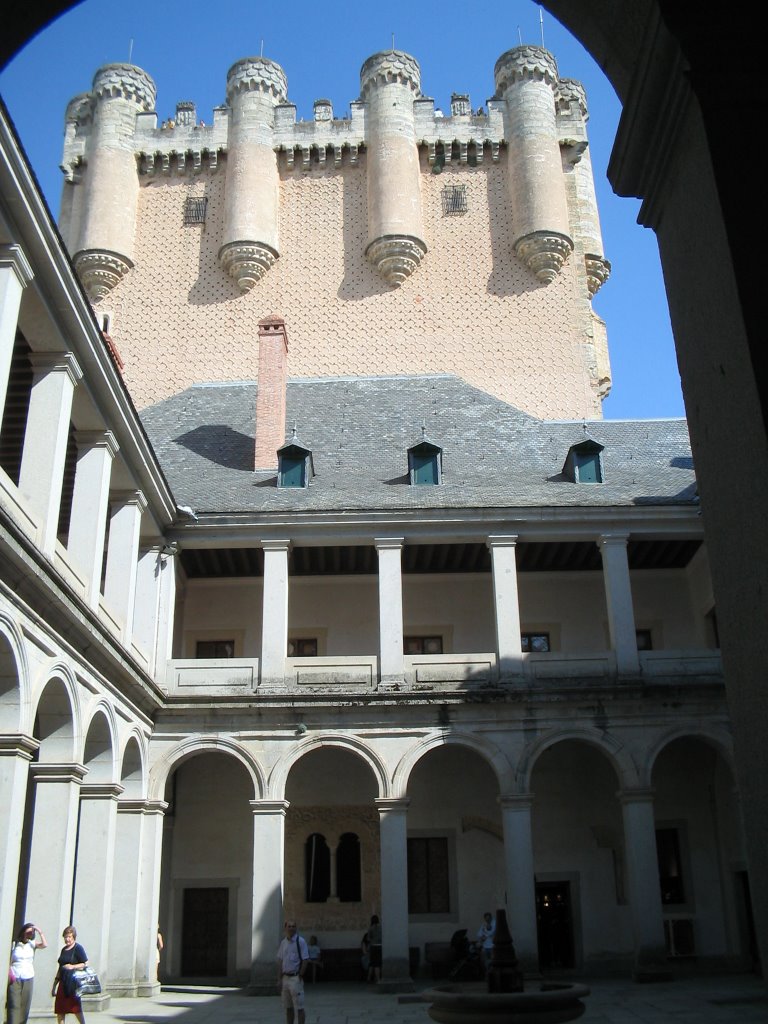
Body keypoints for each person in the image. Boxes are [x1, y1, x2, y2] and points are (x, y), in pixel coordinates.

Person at [7, 923, 47, 1024]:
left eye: (31, 933)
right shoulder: (15, 944)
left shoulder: (32, 944)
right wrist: (9, 971)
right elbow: (9, 960)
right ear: (23, 932)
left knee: (25, 1004)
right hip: (15, 975)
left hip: (28, 975)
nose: (29, 934)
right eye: (28, 932)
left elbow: (44, 945)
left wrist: (40, 932)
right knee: (14, 1004)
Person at [53, 926, 87, 1024]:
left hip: (73, 983)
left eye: (69, 937)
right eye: (66, 937)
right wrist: (55, 984)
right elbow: (60, 968)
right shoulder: (64, 950)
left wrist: (73, 966)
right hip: (63, 982)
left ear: (73, 937)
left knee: (75, 1008)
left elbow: (85, 963)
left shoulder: (78, 948)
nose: (67, 939)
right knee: (60, 1009)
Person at [276, 920, 308, 1024]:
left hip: (295, 978)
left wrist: (301, 975)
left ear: (296, 928)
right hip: (285, 978)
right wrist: (279, 978)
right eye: (289, 926)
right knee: (288, 1007)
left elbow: (305, 959)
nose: (291, 928)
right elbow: (280, 960)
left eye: (293, 926)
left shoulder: (301, 941)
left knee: (299, 1007)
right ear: (285, 928)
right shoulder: (283, 943)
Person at [366, 915, 381, 984]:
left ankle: (370, 978)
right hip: (380, 946)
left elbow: (368, 938)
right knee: (377, 963)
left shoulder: (370, 928)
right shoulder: (381, 928)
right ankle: (377, 978)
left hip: (373, 947)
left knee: (372, 963)